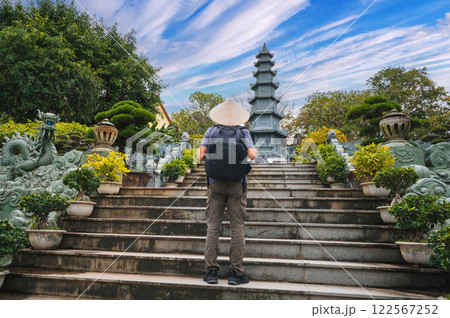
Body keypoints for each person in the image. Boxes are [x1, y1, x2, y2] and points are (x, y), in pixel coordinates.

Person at [197, 98, 257, 285]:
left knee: (213, 227)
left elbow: (199, 156)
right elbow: (253, 155)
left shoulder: (212, 130)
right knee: (237, 228)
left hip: (215, 183)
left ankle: (211, 272)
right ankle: (236, 273)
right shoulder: (243, 131)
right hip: (237, 184)